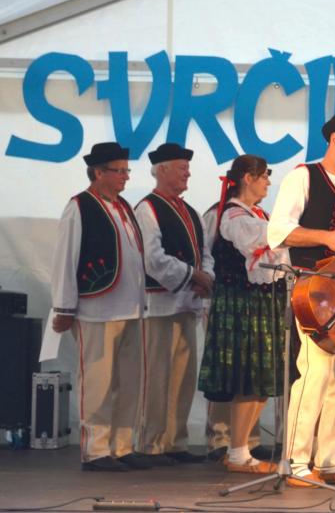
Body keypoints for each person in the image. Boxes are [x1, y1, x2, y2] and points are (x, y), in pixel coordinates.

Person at [267, 108, 335, 487]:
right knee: (314, 374)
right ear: (333, 139)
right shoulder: (303, 176)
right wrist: (326, 237)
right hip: (314, 289)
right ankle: (297, 461)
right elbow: (279, 231)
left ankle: (331, 461)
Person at [49, 142, 150, 472]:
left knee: (128, 382)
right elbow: (66, 257)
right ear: (97, 172)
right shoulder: (80, 206)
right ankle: (96, 450)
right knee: (98, 381)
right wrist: (64, 307)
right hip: (97, 309)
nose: (125, 177)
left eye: (126, 170)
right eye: (118, 171)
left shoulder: (123, 207)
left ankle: (122, 445)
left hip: (130, 309)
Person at [198, 154, 287, 474]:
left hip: (258, 303)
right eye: (264, 176)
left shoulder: (257, 215)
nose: (268, 182)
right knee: (247, 379)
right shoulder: (233, 216)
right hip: (241, 304)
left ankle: (242, 449)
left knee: (259, 381)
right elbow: (260, 242)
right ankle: (236, 451)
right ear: (247, 178)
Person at [133, 143, 213, 466]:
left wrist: (206, 277)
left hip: (186, 303)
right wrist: (193, 274)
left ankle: (175, 441)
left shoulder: (191, 212)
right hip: (158, 304)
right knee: (157, 376)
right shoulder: (147, 209)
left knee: (183, 376)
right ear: (162, 169)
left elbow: (205, 253)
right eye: (182, 168)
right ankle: (151, 443)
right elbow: (152, 259)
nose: (188, 173)